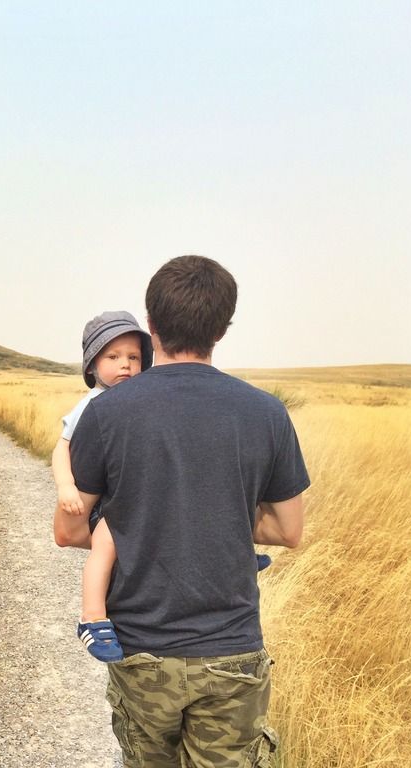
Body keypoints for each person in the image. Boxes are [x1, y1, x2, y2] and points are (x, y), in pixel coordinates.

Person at [53, 256, 309, 768]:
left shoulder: (105, 413)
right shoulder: (267, 413)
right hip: (233, 648)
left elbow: (68, 529)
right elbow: (288, 529)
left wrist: (145, 522)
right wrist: (215, 515)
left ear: (150, 325)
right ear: (223, 327)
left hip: (143, 648)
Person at [51, 311, 152, 663]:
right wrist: (66, 487)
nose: (125, 365)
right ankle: (93, 618)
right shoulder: (92, 405)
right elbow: (61, 447)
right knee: (107, 543)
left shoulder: (141, 400)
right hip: (101, 505)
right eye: (113, 357)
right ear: (92, 367)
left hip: (129, 492)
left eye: (134, 357)